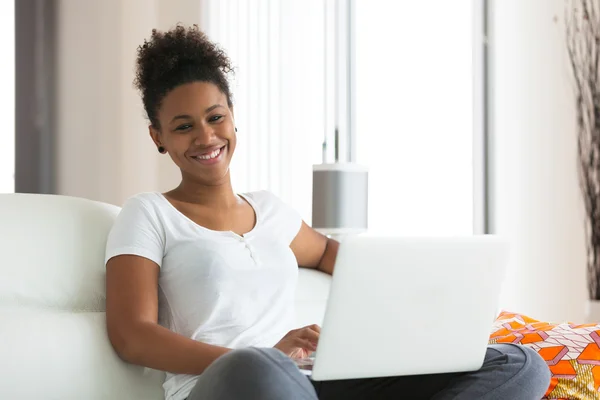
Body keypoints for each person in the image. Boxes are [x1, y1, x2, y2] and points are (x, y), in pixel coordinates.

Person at [105, 25, 551, 400]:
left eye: (215, 117)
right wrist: (263, 357)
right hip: (231, 383)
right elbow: (132, 335)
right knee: (259, 372)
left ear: (233, 118)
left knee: (520, 364)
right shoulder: (149, 214)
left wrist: (424, 303)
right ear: (157, 136)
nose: (205, 137)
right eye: (183, 126)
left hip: (308, 381)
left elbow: (338, 258)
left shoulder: (271, 211)